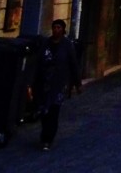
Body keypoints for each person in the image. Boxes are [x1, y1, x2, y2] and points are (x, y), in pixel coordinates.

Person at [34, 19, 82, 152]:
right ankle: (45, 134)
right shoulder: (46, 44)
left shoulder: (67, 45)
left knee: (54, 112)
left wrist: (77, 83)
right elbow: (38, 63)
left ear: (63, 30)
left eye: (59, 28)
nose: (56, 30)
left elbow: (73, 64)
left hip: (58, 84)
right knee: (44, 111)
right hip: (44, 83)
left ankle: (48, 139)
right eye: (54, 27)